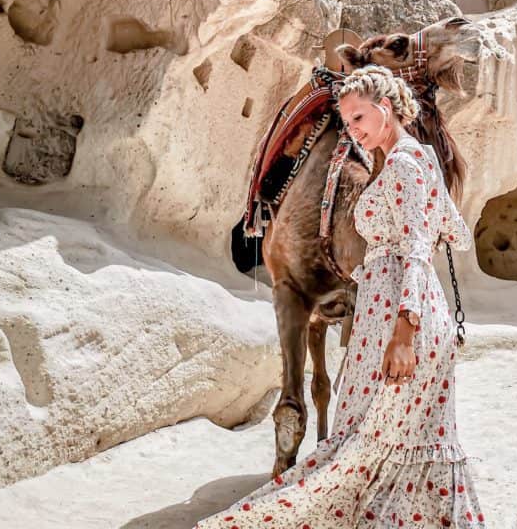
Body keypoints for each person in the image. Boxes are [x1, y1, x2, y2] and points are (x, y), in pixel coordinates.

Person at [194, 64, 486, 528]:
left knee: (367, 437)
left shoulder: (406, 166)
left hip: (397, 315)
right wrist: (414, 220)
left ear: (386, 110)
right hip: (411, 309)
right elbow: (457, 233)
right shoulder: (422, 160)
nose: (353, 132)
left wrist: (404, 331)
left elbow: (414, 250)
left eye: (359, 120)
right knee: (407, 441)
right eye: (347, 122)